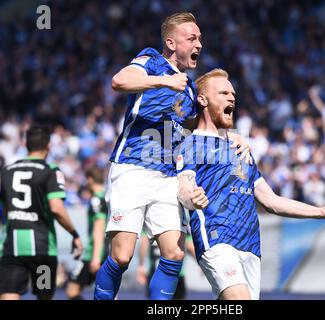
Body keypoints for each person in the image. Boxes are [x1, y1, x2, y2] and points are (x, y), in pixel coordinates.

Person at [94, 12, 249, 300]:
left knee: (175, 254)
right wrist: (163, 82)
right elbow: (119, 81)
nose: (199, 44)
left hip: (167, 177)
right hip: (132, 168)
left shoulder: (189, 90)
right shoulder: (151, 60)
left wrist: (230, 136)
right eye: (191, 38)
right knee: (122, 256)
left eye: (200, 38)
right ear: (171, 42)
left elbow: (197, 128)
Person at [176, 69, 325, 300]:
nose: (231, 97)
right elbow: (184, 187)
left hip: (250, 248)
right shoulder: (191, 144)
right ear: (203, 100)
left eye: (233, 93)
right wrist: (190, 198)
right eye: (224, 93)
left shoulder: (240, 150)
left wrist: (320, 211)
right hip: (217, 241)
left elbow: (271, 201)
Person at [0, 125, 83, 300]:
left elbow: (6, 209)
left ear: (26, 145)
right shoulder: (50, 171)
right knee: (44, 295)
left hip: (12, 248)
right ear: (48, 146)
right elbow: (57, 208)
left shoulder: (6, 171)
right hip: (42, 249)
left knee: (8, 295)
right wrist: (74, 234)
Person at [66, 168, 109, 300]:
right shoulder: (107, 197)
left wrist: (95, 257)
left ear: (90, 179)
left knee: (72, 290)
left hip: (94, 253)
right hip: (106, 251)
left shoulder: (96, 199)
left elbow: (99, 228)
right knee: (108, 291)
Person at [136, 228, 196, 300]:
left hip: (155, 274)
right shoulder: (179, 223)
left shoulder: (149, 221)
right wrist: (200, 262)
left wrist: (141, 265)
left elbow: (144, 242)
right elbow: (190, 247)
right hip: (175, 272)